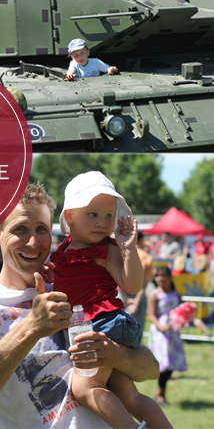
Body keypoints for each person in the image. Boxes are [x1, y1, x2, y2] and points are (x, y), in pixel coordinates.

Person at [0, 182, 161, 428]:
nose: (33, 242)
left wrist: (118, 354)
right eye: (20, 229)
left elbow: (151, 368)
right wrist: (31, 326)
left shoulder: (80, 285)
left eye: (41, 228)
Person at [51, 171, 171, 429]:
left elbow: (132, 285)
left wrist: (129, 250)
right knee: (129, 395)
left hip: (104, 324)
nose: (102, 223)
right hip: (97, 325)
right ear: (69, 216)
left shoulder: (105, 249)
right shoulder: (64, 252)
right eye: (93, 214)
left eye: (108, 216)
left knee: (85, 389)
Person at [147, 266, 187, 405]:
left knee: (171, 363)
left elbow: (183, 311)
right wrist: (161, 327)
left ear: (170, 277)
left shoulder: (176, 294)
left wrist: (195, 320)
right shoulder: (154, 294)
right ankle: (160, 394)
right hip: (160, 333)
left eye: (163, 275)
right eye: (158, 275)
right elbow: (151, 315)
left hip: (173, 333)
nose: (160, 278)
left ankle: (160, 393)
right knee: (163, 363)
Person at [123, 231, 154, 331]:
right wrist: (136, 302)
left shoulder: (120, 254)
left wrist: (126, 298)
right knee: (138, 330)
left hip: (122, 295)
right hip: (139, 296)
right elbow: (145, 283)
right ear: (140, 240)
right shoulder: (147, 257)